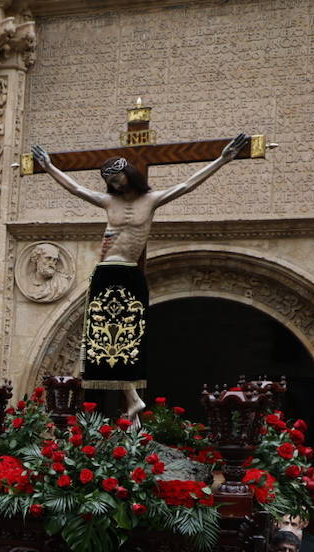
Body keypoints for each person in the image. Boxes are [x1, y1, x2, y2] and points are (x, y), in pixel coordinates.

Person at [31, 133, 248, 411]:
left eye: (117, 175)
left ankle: (133, 398)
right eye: (109, 179)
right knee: (104, 339)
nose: (114, 182)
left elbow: (187, 185)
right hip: (107, 269)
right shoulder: (109, 203)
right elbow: (76, 189)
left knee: (128, 335)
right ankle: (132, 398)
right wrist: (49, 168)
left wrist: (222, 159)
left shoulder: (152, 200)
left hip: (130, 271)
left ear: (129, 172)